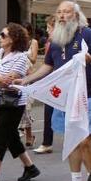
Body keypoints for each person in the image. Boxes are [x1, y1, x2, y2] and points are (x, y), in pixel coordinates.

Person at [16, 1, 91, 181]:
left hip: (86, 95)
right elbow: (48, 66)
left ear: (75, 16)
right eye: (59, 12)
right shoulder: (55, 39)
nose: (61, 15)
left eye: (66, 12)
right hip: (63, 97)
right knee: (72, 140)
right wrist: (26, 80)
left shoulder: (86, 34)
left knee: (85, 141)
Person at [0, 23, 40, 181]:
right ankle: (30, 167)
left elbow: (9, 80)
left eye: (3, 35)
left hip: (14, 101)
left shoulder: (21, 57)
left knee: (0, 135)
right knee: (11, 136)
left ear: (13, 39)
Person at [32, 16, 56, 154]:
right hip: (52, 82)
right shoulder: (50, 43)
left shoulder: (57, 43)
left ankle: (80, 141)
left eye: (49, 28)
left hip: (61, 83)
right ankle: (47, 142)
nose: (47, 31)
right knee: (49, 111)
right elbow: (48, 64)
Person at [18, 22, 39, 148]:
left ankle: (29, 136)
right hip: (18, 77)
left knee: (26, 108)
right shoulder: (17, 42)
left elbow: (34, 59)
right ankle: (25, 134)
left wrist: (25, 54)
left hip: (28, 77)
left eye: (25, 31)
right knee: (19, 109)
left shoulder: (33, 42)